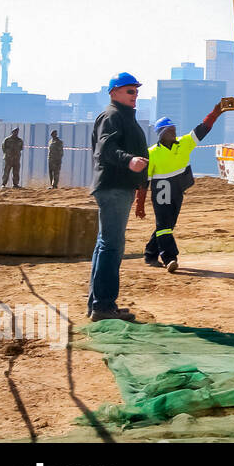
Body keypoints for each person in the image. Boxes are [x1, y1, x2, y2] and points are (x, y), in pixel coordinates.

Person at [88, 73, 149, 322]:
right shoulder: (112, 115)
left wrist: (140, 185)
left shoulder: (124, 117)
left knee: (106, 245)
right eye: (129, 91)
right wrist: (129, 161)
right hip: (113, 187)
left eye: (136, 91)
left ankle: (98, 304)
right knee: (112, 246)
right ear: (113, 92)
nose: (135, 96)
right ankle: (103, 306)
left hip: (119, 187)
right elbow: (106, 148)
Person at [137, 104, 223, 273]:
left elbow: (203, 129)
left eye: (174, 129)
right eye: (170, 130)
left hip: (177, 190)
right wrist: (139, 204)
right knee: (164, 225)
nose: (174, 132)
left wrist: (215, 113)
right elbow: (143, 182)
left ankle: (150, 253)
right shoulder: (151, 153)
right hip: (161, 191)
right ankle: (170, 258)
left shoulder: (184, 143)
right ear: (161, 134)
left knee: (168, 225)